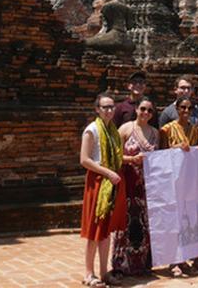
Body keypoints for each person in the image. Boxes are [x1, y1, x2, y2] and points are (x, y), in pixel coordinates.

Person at [80, 93, 127, 287]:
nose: (109, 110)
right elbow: (84, 159)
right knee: (94, 230)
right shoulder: (92, 130)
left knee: (106, 231)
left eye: (111, 107)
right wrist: (107, 172)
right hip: (98, 181)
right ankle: (88, 273)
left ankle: (103, 271)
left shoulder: (113, 131)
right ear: (97, 109)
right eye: (105, 107)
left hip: (111, 180)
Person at [111, 98, 159, 278]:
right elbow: (113, 155)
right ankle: (121, 264)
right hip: (128, 182)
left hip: (146, 186)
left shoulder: (155, 133)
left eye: (149, 110)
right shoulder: (125, 129)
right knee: (125, 223)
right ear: (136, 110)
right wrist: (131, 159)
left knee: (144, 223)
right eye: (143, 109)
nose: (146, 113)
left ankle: (143, 263)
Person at [158, 95, 198, 277]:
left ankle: (184, 258)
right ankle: (173, 261)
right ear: (176, 109)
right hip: (171, 182)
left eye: (189, 108)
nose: (186, 111)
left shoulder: (195, 130)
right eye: (182, 108)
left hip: (189, 182)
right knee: (173, 220)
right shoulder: (166, 130)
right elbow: (159, 155)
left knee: (187, 220)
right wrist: (175, 148)